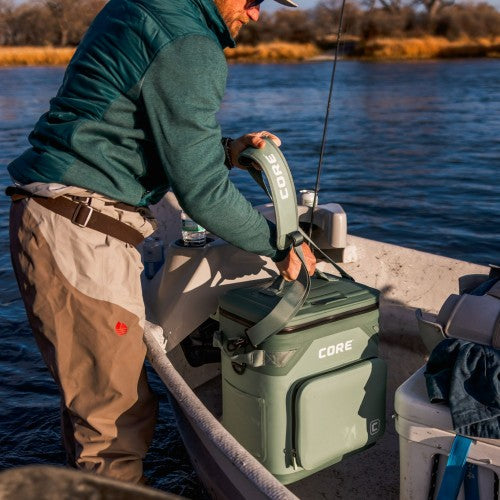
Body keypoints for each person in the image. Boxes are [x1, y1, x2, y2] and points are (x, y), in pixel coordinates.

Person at [7, 0, 316, 485]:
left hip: (60, 221)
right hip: (80, 233)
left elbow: (133, 123)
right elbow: (203, 194)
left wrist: (226, 150)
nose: (256, 15)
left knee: (96, 411)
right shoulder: (190, 43)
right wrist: (282, 244)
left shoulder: (144, 8)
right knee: (113, 425)